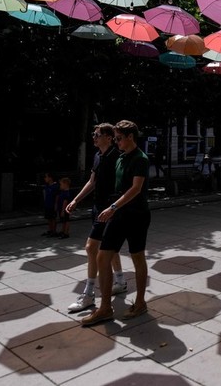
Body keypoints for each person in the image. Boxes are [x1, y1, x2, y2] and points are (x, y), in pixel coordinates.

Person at [81, 120, 150, 326]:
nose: (117, 142)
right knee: (102, 256)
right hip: (119, 214)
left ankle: (140, 303)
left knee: (137, 257)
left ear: (130, 137)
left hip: (136, 215)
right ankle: (105, 308)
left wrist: (112, 207)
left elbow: (135, 189)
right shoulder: (120, 158)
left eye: (119, 138)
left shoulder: (140, 159)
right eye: (116, 138)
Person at [65, 123, 126, 314]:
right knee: (110, 248)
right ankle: (120, 281)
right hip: (97, 208)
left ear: (109, 137)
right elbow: (92, 181)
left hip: (110, 209)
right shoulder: (98, 156)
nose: (94, 137)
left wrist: (115, 207)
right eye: (93, 134)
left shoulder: (118, 157)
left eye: (97, 134)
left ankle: (89, 293)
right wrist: (76, 199)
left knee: (91, 248)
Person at [41, 172, 59, 237]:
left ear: (50, 178)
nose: (45, 178)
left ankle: (54, 231)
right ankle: (50, 230)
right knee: (48, 218)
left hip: (52, 204)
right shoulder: (47, 186)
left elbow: (57, 196)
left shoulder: (55, 186)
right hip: (47, 204)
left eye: (46, 177)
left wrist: (56, 204)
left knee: (53, 218)